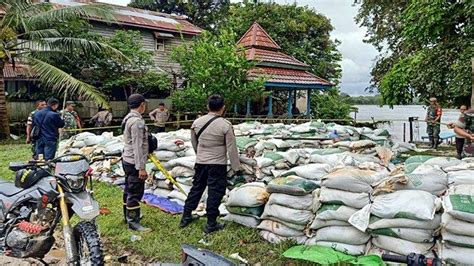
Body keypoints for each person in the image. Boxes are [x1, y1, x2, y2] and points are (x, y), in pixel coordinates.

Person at [179, 95, 241, 234]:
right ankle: (211, 223)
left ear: (208, 107)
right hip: (217, 164)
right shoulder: (225, 125)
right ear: (223, 108)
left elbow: (195, 144)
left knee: (196, 188)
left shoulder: (197, 123)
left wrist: (200, 156)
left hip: (201, 162)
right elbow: (232, 148)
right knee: (215, 191)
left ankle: (186, 216)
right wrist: (237, 168)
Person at [122, 94, 151, 232]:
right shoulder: (137, 122)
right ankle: (133, 222)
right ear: (142, 105)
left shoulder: (128, 118)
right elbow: (138, 146)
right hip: (134, 162)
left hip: (127, 159)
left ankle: (127, 215)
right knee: (135, 191)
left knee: (128, 188)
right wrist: (141, 168)